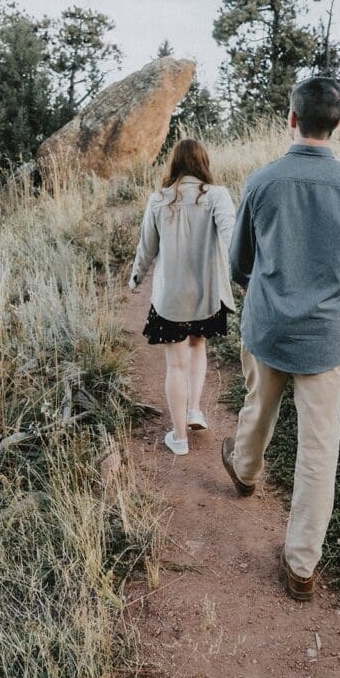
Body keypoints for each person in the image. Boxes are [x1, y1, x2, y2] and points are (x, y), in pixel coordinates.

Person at [221, 76, 340, 601]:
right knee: (319, 451)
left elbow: (238, 264)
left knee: (258, 406)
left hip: (268, 326)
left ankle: (245, 471)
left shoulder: (262, 182)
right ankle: (301, 566)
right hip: (327, 339)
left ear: (292, 118)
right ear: (336, 124)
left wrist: (266, 288)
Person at [129, 138, 237, 456]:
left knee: (175, 365)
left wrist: (136, 278)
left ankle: (179, 437)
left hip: (171, 298)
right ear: (204, 163)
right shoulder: (217, 195)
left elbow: (146, 247)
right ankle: (193, 410)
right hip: (207, 294)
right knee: (198, 346)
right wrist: (245, 273)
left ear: (174, 163)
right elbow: (232, 235)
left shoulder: (159, 199)